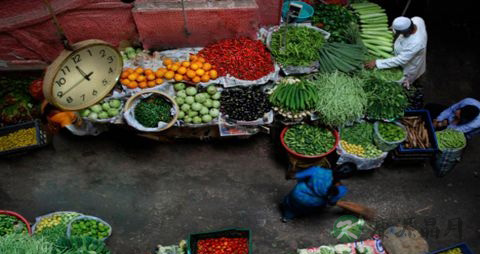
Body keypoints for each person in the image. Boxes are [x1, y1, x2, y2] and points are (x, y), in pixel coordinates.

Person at [365, 16, 428, 89]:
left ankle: (410, 85)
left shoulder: (416, 43)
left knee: (405, 79)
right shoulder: (417, 20)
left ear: (406, 33)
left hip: (410, 64)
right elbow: (405, 23)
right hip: (405, 53)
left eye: (399, 32)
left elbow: (400, 60)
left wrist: (377, 63)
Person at [280, 166, 347, 222]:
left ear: (337, 166)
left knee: (290, 204)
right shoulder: (342, 190)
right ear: (346, 177)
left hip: (298, 193)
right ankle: (290, 217)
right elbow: (331, 202)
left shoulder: (317, 170)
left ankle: (286, 216)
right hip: (314, 203)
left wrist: (289, 174)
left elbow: (293, 176)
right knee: (302, 209)